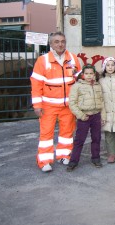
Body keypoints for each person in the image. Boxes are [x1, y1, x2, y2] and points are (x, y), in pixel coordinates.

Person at [30, 32, 80, 172]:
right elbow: (36, 84)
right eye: (56, 41)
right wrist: (37, 105)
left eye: (63, 41)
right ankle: (44, 161)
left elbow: (79, 80)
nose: (60, 44)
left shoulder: (73, 58)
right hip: (48, 105)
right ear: (51, 44)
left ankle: (64, 155)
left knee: (67, 132)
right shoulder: (43, 60)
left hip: (68, 105)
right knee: (46, 134)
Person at [66, 64, 104, 171]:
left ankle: (95, 158)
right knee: (79, 140)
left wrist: (103, 116)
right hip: (84, 116)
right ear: (82, 75)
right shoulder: (77, 86)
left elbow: (102, 101)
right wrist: (81, 115)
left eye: (91, 73)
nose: (89, 76)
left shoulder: (97, 85)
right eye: (86, 73)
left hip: (96, 115)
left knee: (96, 138)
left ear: (94, 74)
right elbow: (72, 103)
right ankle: (73, 161)